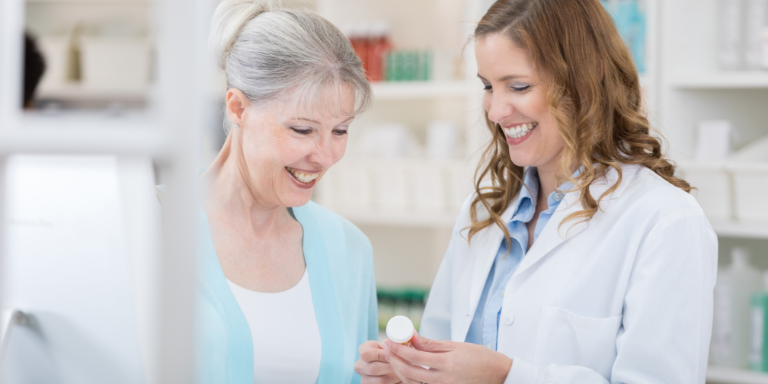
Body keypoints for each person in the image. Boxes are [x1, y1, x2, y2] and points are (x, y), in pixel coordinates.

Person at [355, 0, 717, 383]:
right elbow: (441, 353)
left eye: (519, 86)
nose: (495, 111)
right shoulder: (483, 213)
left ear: (586, 76)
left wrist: (505, 376)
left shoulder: (665, 221)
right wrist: (408, 373)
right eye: (488, 87)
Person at [197, 1, 376, 382]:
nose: (325, 156)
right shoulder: (149, 228)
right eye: (302, 130)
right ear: (238, 108)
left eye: (340, 131)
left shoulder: (349, 250)